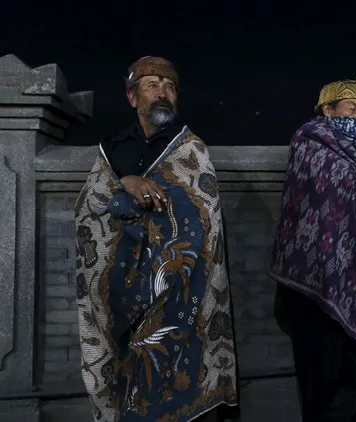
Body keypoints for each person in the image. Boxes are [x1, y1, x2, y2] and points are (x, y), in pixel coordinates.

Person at [74, 56, 237, 422]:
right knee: (126, 376)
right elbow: (88, 210)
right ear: (133, 97)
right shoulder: (112, 148)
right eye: (152, 85)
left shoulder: (191, 150)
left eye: (170, 87)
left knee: (173, 371)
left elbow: (203, 220)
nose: (162, 93)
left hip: (177, 290)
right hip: (121, 292)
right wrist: (126, 186)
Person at [270, 78, 356, 421]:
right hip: (313, 286)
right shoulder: (309, 146)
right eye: (350, 109)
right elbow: (308, 211)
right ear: (327, 110)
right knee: (320, 378)